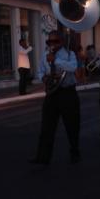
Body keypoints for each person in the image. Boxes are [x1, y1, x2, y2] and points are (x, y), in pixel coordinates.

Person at [31, 30, 80, 165]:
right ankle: (43, 157)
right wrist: (44, 77)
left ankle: (74, 152)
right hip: (52, 93)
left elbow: (73, 67)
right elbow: (40, 70)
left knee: (72, 125)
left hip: (67, 93)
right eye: (49, 41)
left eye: (55, 41)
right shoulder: (45, 55)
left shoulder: (70, 54)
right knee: (47, 126)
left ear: (62, 42)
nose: (52, 44)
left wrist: (56, 61)